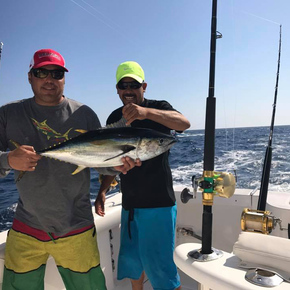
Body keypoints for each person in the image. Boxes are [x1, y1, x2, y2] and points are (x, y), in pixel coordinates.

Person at [0, 49, 140, 290]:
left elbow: (101, 161)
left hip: (77, 228)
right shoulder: (8, 114)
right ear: (30, 77)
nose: (49, 79)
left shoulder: (84, 114)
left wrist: (116, 167)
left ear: (64, 78)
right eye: (41, 72)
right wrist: (8, 160)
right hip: (26, 229)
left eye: (56, 73)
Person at [95, 61, 191, 290]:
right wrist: (103, 190)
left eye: (134, 85)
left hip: (158, 204)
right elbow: (112, 159)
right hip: (130, 204)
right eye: (123, 85)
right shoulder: (114, 117)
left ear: (144, 86)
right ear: (117, 89)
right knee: (133, 265)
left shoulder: (159, 107)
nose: (128, 90)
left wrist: (145, 113)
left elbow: (184, 124)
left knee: (162, 271)